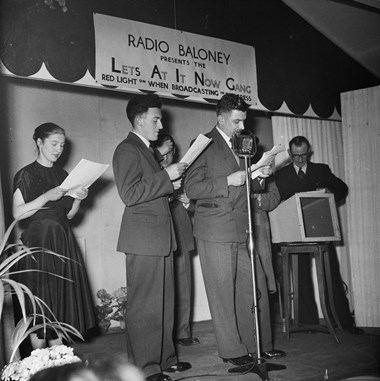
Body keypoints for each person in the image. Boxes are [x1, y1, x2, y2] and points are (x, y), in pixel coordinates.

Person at [184, 93, 285, 370]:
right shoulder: (202, 144)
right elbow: (191, 188)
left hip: (242, 228)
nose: (242, 127)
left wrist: (260, 176)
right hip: (215, 228)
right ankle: (231, 350)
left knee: (251, 289)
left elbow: (248, 184)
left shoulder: (244, 143)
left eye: (244, 121)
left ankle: (256, 347)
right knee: (222, 293)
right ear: (221, 118)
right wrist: (226, 180)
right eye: (237, 121)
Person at [112, 94, 191, 381]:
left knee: (165, 302)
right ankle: (145, 368)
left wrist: (170, 182)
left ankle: (165, 359)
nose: (160, 125)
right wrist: (166, 176)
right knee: (145, 306)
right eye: (156, 119)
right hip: (143, 239)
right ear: (139, 119)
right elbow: (130, 194)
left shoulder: (147, 150)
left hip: (159, 238)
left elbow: (152, 191)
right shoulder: (127, 150)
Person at [12, 123, 96, 350]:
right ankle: (38, 365)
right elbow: (18, 213)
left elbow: (68, 215)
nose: (59, 149)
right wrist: (46, 196)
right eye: (54, 144)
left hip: (62, 241)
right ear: (39, 142)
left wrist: (79, 197)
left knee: (60, 309)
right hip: (38, 244)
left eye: (62, 145)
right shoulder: (26, 174)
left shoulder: (63, 174)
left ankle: (58, 366)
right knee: (40, 309)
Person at [275, 135, 362, 333]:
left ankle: (343, 322)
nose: (300, 159)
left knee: (331, 275)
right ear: (290, 154)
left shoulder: (321, 170)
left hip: (321, 231)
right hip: (294, 234)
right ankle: (308, 323)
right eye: (296, 156)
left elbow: (342, 188)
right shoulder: (280, 175)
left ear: (309, 153)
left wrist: (327, 196)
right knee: (301, 277)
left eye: (303, 155)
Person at [155, 134, 200, 347]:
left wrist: (187, 202)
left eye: (172, 150)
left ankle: (183, 332)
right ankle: (165, 336)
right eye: (165, 150)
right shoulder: (152, 172)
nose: (169, 155)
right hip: (160, 233)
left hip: (181, 230)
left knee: (184, 283)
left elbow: (195, 205)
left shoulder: (183, 172)